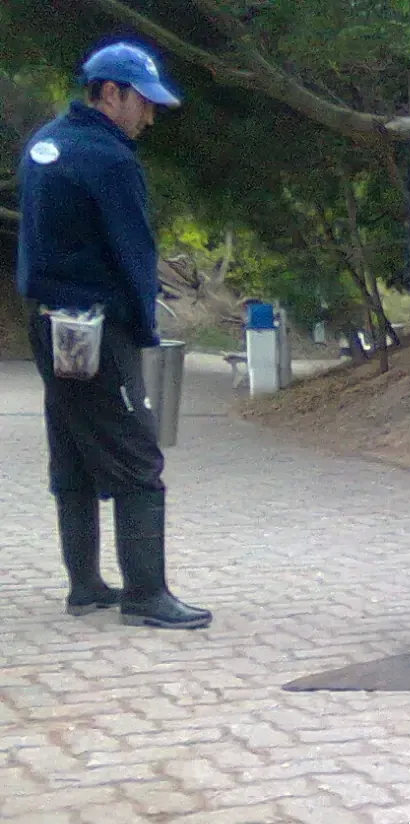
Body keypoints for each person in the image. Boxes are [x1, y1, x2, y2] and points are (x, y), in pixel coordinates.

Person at [16, 41, 212, 629]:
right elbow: (134, 253)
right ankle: (147, 595)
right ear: (110, 94)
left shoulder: (43, 145)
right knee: (136, 456)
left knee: (73, 447)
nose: (148, 117)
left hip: (48, 322)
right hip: (99, 329)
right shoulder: (111, 159)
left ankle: (85, 585)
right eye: (142, 103)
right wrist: (147, 330)